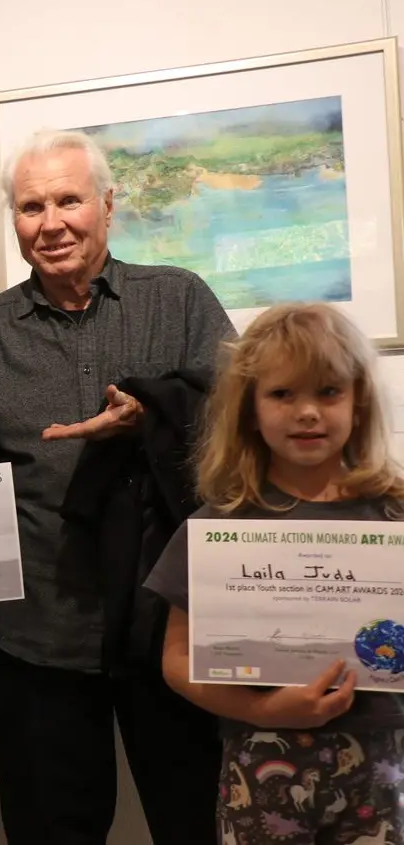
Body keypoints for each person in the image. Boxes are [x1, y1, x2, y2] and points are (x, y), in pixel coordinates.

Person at [0, 128, 235, 843]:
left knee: (198, 822)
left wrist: (156, 413)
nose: (51, 224)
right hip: (34, 635)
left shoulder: (181, 299)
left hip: (172, 627)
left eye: (69, 200)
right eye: (30, 206)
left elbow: (243, 428)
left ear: (108, 204)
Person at [146, 303, 404, 844]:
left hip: (382, 767)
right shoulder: (220, 525)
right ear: (250, 410)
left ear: (359, 404)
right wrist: (265, 706)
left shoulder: (394, 516)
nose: (307, 412)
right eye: (283, 394)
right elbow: (176, 658)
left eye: (329, 391)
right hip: (260, 763)